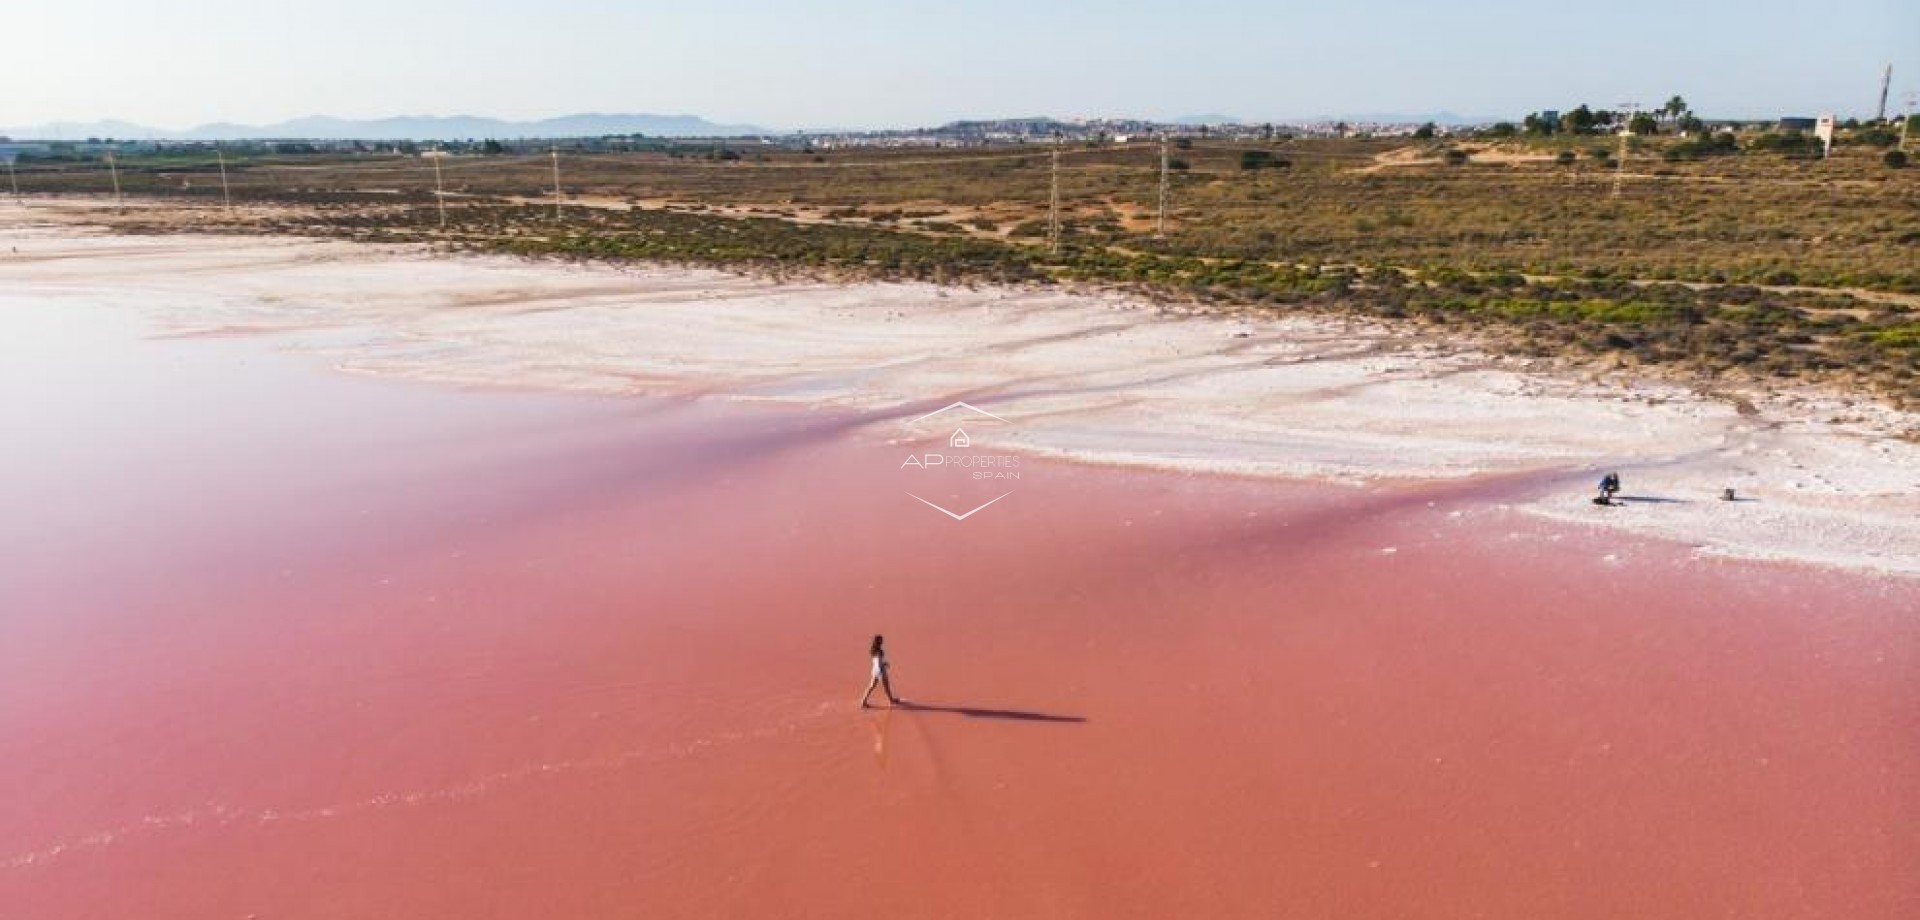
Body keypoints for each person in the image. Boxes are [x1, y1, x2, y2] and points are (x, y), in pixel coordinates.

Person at [860, 634, 901, 709]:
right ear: (879, 642)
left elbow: (876, 661)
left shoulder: (872, 650)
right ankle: (891, 700)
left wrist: (884, 663)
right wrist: (883, 667)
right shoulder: (880, 651)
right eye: (881, 640)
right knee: (887, 688)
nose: (883, 641)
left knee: (871, 686)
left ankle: (863, 701)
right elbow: (879, 662)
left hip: (874, 670)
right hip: (880, 671)